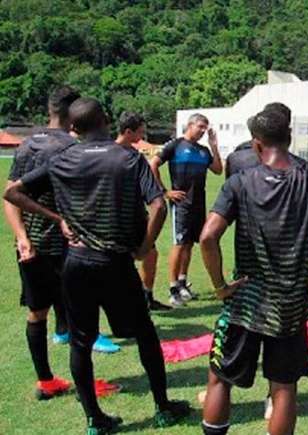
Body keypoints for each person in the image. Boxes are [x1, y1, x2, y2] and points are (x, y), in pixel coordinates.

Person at [5, 97, 190, 434]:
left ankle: (94, 419)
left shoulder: (64, 158)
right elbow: (159, 206)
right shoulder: (128, 157)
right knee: (145, 334)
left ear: (73, 129)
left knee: (80, 340)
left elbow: (13, 192)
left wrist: (56, 217)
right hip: (116, 262)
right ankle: (163, 407)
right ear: (106, 120)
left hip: (76, 262)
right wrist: (144, 248)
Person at [199, 109, 308, 435]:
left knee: (219, 378)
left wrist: (220, 286)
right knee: (283, 388)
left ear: (257, 145)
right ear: (290, 139)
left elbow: (208, 236)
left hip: (245, 302)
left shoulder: (240, 182)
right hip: (289, 306)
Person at [3, 86, 78, 400]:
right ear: (72, 114)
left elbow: (9, 196)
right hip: (65, 244)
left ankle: (45, 381)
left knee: (37, 313)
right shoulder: (70, 147)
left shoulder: (26, 144)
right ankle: (85, 387)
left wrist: (22, 238)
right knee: (79, 315)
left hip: (32, 245)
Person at [150, 113, 223, 307]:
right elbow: (153, 164)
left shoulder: (203, 150)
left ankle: (182, 283)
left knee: (189, 244)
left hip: (198, 204)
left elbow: (218, 169)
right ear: (189, 125)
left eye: (205, 127)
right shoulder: (175, 146)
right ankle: (173, 289)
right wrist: (165, 192)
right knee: (179, 244)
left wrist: (214, 146)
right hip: (181, 205)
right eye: (200, 126)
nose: (202, 130)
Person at [115, 111, 173, 311]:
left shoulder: (134, 155)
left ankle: (146, 296)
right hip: (117, 219)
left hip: (136, 215)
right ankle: (127, 303)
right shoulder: (110, 154)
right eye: (139, 132)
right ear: (128, 131)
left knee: (151, 254)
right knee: (122, 263)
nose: (142, 136)